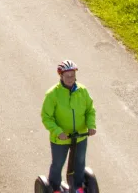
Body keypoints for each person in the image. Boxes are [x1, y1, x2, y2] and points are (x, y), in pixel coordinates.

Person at [41, 60, 97, 193]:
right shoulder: (52, 94)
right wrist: (57, 131)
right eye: (67, 76)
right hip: (60, 138)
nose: (70, 79)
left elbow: (90, 110)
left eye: (72, 75)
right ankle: (55, 188)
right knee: (58, 164)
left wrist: (91, 125)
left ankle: (77, 187)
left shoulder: (82, 91)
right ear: (61, 76)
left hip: (80, 135)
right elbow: (46, 117)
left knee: (79, 163)